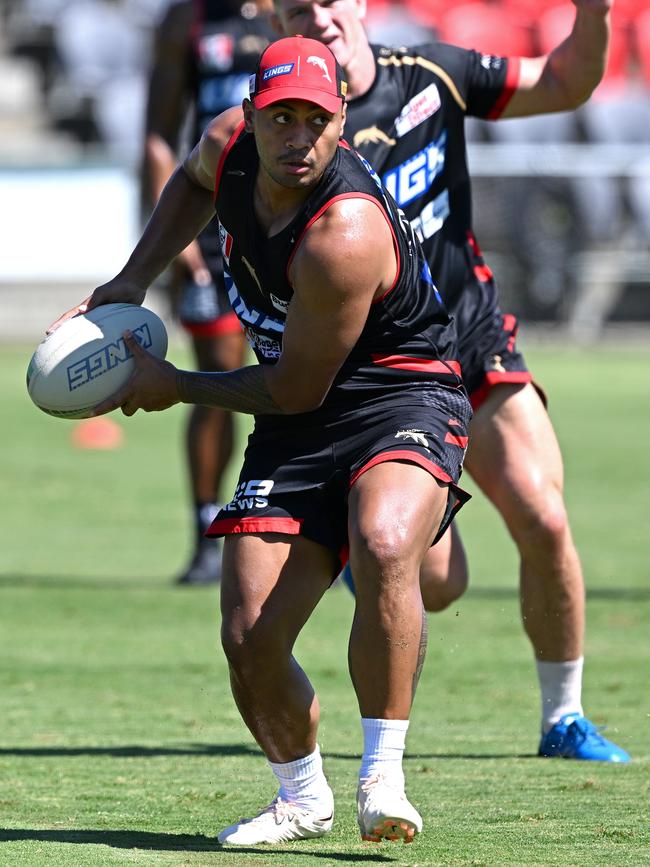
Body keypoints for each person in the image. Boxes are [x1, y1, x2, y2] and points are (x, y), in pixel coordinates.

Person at [52, 36, 473, 844]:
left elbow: (293, 389)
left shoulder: (344, 231)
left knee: (384, 540)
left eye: (315, 119)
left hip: (399, 391)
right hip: (298, 411)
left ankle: (383, 774)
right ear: (250, 115)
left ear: (341, 120)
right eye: (280, 116)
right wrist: (134, 278)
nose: (296, 136)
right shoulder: (225, 146)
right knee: (249, 635)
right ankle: (302, 796)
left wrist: (174, 385)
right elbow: (192, 183)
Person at [271, 0, 630, 762]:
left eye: (329, 1)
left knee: (544, 513)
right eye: (298, 8)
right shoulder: (283, 135)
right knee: (437, 584)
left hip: (469, 342)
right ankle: (365, 547)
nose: (319, 16)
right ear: (275, 20)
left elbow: (567, 82)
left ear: (360, 4)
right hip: (385, 378)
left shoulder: (432, 74)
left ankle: (563, 716)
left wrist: (594, 11)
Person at [144, 0, 274, 584]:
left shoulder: (297, 14)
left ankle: (313, 526)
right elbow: (159, 136)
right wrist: (177, 243)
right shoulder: (187, 20)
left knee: (311, 372)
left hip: (289, 226)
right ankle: (205, 531)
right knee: (215, 379)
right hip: (211, 235)